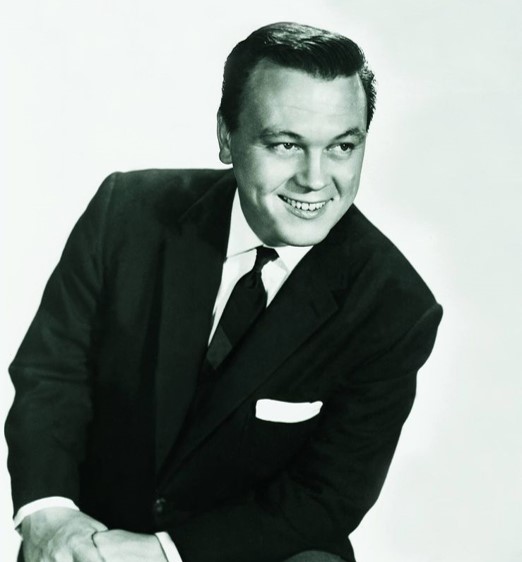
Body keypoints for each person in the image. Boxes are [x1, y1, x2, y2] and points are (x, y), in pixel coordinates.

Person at [5, 21, 443, 562]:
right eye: (285, 144)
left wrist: (160, 554)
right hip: (89, 541)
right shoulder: (126, 213)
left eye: (342, 147)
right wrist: (50, 516)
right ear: (226, 137)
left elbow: (326, 497)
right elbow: (53, 376)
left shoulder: (395, 308)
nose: (315, 178)